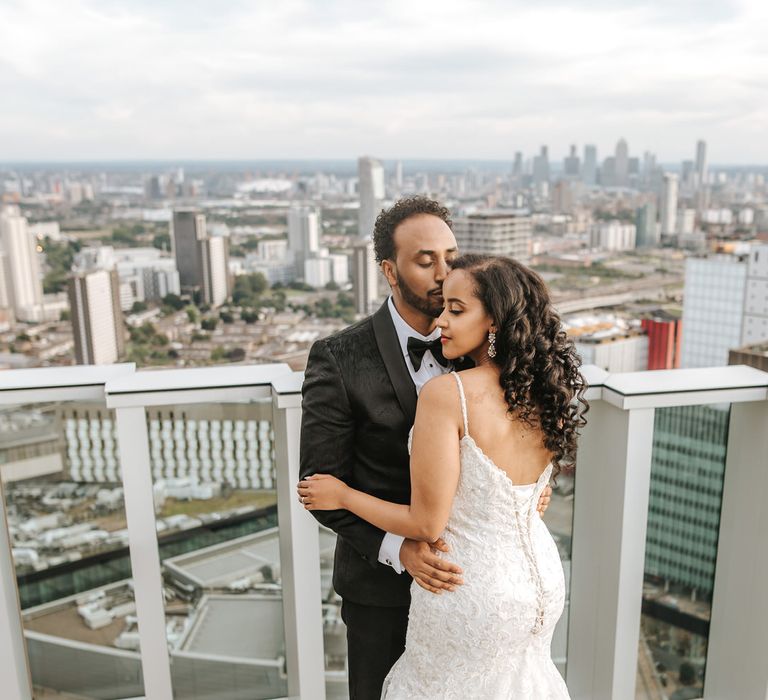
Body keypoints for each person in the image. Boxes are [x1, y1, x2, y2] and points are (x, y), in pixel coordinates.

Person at [299, 253, 588, 699]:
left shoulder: (448, 394)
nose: (440, 322)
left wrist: (343, 495)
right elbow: (526, 487)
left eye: (456, 310)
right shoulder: (543, 389)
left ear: (494, 320)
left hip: (469, 589)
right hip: (541, 584)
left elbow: (426, 524)